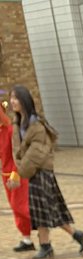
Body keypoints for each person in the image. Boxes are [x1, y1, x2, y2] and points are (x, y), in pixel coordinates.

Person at [8, 85, 83, 259]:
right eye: (11, 98)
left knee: (43, 210)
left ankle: (46, 246)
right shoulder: (19, 122)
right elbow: (18, 151)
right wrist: (18, 170)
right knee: (47, 209)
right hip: (32, 172)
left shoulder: (36, 125)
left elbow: (35, 154)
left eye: (16, 98)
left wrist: (19, 172)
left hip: (41, 172)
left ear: (24, 101)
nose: (12, 101)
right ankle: (74, 235)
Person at [0, 97, 33, 251]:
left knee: (20, 206)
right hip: (6, 174)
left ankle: (44, 227)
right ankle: (27, 239)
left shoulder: (11, 130)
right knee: (16, 208)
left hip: (17, 173)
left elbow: (18, 154)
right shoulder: (1, 131)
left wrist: (15, 173)